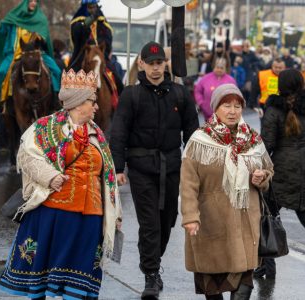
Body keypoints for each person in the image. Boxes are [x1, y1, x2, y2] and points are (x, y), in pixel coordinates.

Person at [0, 69, 122, 299]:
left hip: (91, 216)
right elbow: (28, 156)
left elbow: (108, 177)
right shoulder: (46, 127)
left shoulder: (97, 134)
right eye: (91, 101)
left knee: (81, 276)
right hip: (55, 214)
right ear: (76, 104)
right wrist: (49, 176)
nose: (96, 107)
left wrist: (115, 213)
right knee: (47, 270)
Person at [110, 41, 200, 298]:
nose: (156, 68)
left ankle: (150, 257)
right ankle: (151, 274)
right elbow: (119, 134)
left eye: (159, 63)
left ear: (165, 64)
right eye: (151, 63)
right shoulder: (131, 95)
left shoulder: (181, 95)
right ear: (141, 64)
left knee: (167, 222)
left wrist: (197, 166)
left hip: (171, 167)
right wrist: (118, 167)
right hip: (141, 168)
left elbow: (192, 133)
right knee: (149, 224)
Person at [180, 84, 274, 300]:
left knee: (243, 284)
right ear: (215, 108)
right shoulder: (199, 140)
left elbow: (269, 169)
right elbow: (188, 183)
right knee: (212, 286)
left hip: (245, 223)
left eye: (237, 106)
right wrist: (190, 216)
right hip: (212, 223)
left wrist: (262, 177)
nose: (233, 111)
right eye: (226, 105)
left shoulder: (253, 139)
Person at [256, 69, 305, 280]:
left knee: (267, 217)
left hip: (280, 170)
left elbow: (266, 144)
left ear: (280, 85)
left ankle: (266, 268)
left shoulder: (273, 110)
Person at [0, 0, 61, 106]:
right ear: (25, 3)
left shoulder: (41, 19)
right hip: (14, 53)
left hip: (36, 53)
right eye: (31, 1)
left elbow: (45, 38)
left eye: (35, 1)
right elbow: (0, 30)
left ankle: (56, 100)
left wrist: (40, 38)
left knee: (56, 71)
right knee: (1, 72)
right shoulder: (13, 18)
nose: (33, 3)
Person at [68, 0, 123, 96]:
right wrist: (90, 20)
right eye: (90, 7)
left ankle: (119, 102)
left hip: (100, 54)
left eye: (94, 7)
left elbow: (108, 39)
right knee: (67, 75)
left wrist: (101, 46)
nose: (93, 9)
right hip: (82, 55)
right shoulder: (78, 21)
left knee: (116, 76)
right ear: (85, 8)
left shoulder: (102, 21)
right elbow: (76, 34)